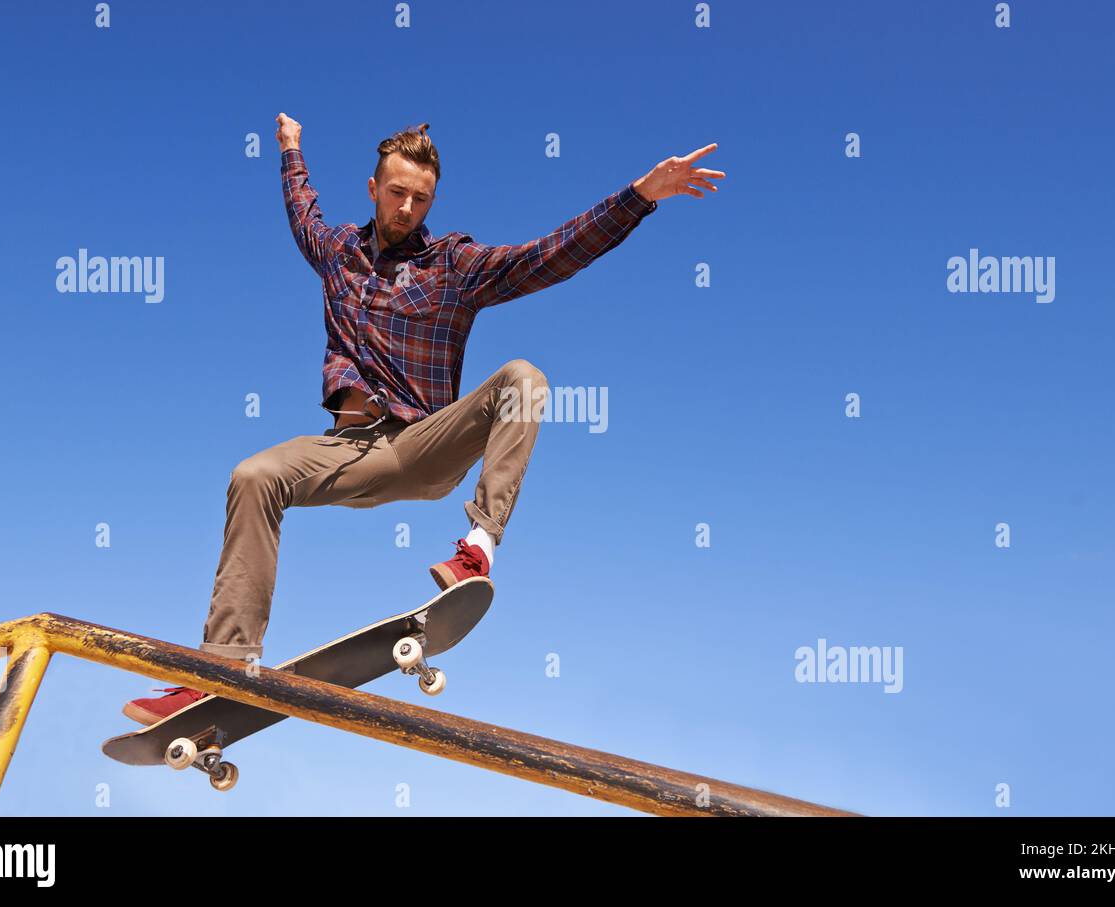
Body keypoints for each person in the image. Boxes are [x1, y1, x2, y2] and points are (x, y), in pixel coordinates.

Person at [123, 115, 724, 724]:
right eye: (397, 193)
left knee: (523, 379)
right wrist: (291, 148)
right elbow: (301, 209)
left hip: (421, 445)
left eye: (421, 198)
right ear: (373, 188)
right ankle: (222, 670)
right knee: (253, 475)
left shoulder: (453, 266)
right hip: (348, 448)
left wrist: (639, 197)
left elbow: (548, 255)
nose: (408, 207)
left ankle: (478, 547)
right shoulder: (336, 255)